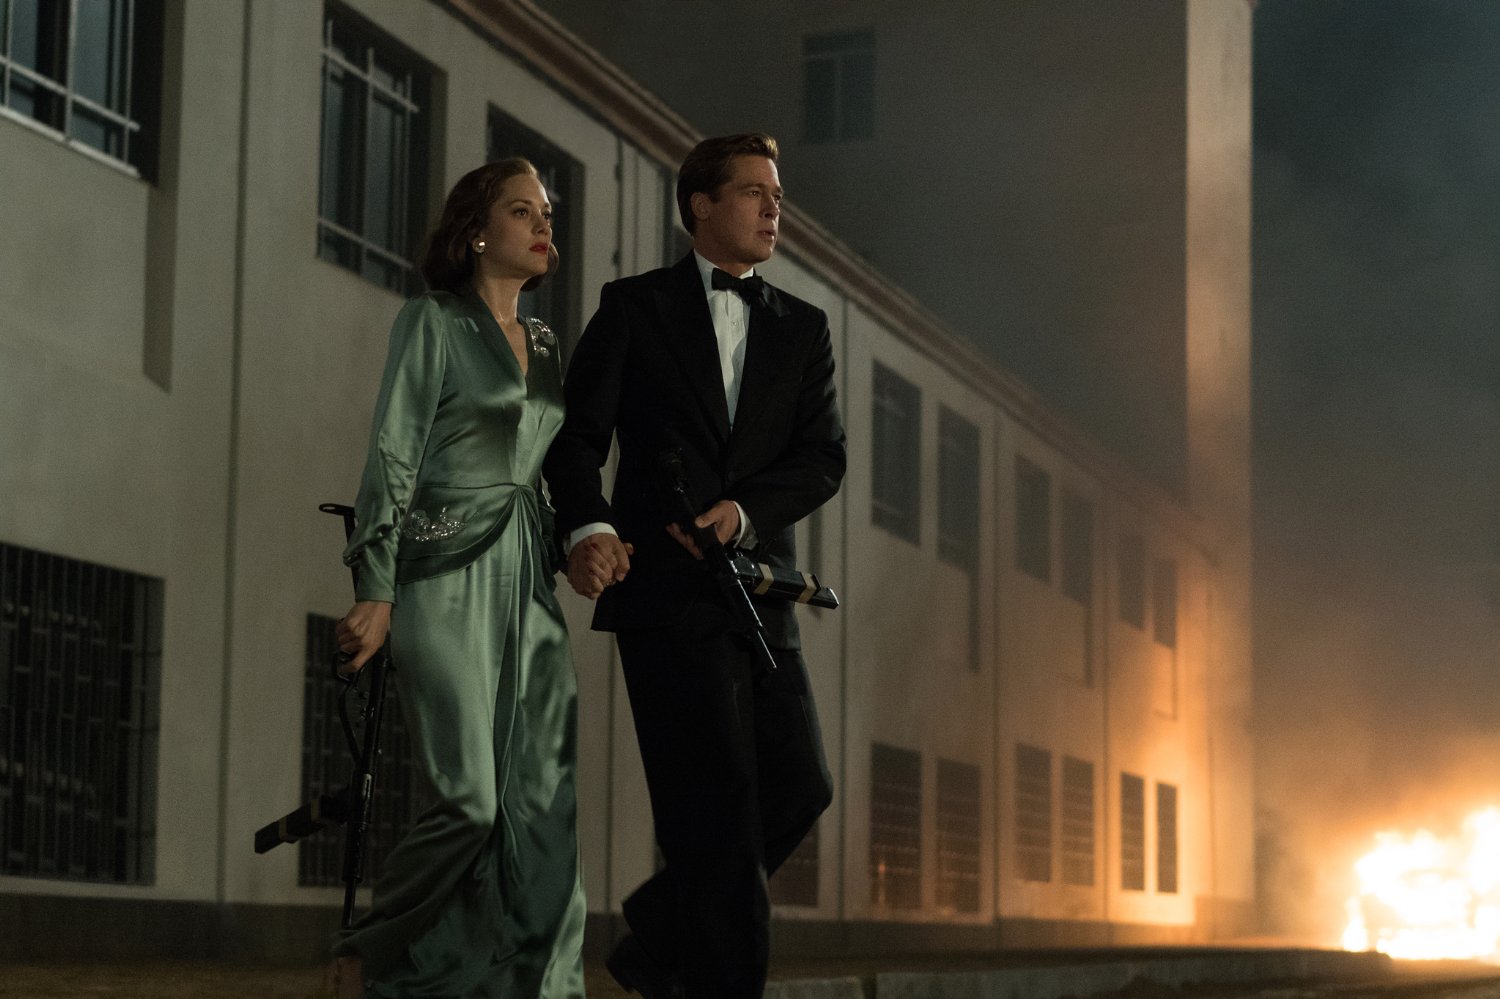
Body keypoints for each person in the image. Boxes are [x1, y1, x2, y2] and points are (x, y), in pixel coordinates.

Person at [543, 133, 846, 999]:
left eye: (777, 194)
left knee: (801, 784)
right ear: (701, 205)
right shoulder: (633, 307)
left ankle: (656, 941)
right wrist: (589, 526)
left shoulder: (805, 328)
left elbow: (823, 458)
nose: (774, 207)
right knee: (717, 813)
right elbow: (576, 440)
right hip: (667, 597)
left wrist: (744, 514)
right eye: (754, 191)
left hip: (762, 592)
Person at [329, 158, 585, 999]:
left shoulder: (546, 345)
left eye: (546, 212)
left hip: (530, 582)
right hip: (440, 572)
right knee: (470, 800)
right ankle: (369, 950)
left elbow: (547, 466)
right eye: (522, 211)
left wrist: (585, 541)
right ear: (476, 231)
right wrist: (375, 588)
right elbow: (393, 454)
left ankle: (518, 984)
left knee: (539, 804)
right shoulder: (432, 321)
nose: (543, 225)